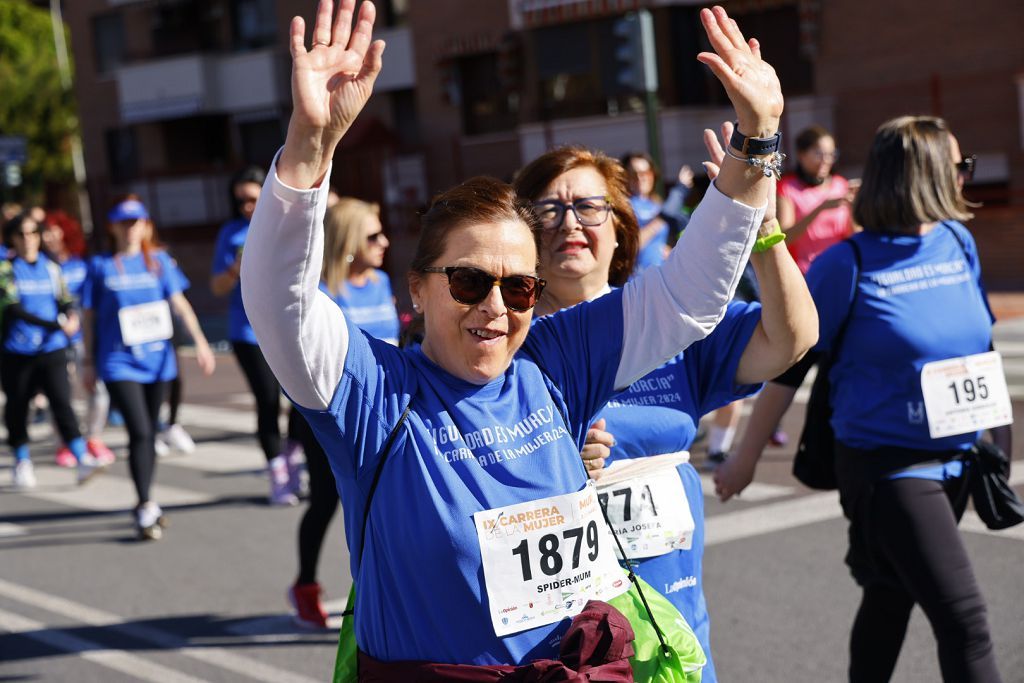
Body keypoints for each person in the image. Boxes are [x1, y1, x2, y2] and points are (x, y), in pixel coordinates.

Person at [244, 0, 783, 671]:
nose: (496, 307)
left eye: (521, 286)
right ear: (417, 286)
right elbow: (278, 303)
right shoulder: (374, 392)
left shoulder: (555, 362)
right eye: (469, 281)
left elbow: (689, 295)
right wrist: (308, 148)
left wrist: (756, 141)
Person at [516, 124, 815, 681]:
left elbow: (789, 341)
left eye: (588, 206)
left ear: (621, 229)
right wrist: (553, 464)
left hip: (675, 630)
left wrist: (766, 230)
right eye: (548, 210)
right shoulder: (507, 346)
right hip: (563, 647)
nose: (570, 222)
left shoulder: (672, 326)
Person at [716, 117, 1005, 682]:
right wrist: (746, 457)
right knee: (965, 619)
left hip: (958, 459)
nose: (966, 176)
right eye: (958, 166)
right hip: (888, 468)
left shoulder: (957, 241)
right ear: (920, 175)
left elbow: (981, 340)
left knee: (890, 594)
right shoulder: (846, 265)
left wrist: (999, 436)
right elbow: (790, 365)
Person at [288, 196, 400, 628]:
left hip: (385, 415)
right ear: (350, 240)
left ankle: (382, 592)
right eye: (373, 235)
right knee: (325, 503)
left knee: (387, 505)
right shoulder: (322, 293)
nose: (384, 242)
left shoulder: (382, 281)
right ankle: (305, 585)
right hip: (330, 420)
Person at [83, 196, 215, 540]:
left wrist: (200, 341)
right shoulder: (101, 266)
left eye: (137, 222)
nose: (131, 229)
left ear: (146, 226)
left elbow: (179, 304)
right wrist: (86, 361)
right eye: (124, 223)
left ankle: (147, 498)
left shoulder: (158, 262)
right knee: (140, 430)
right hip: (118, 362)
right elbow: (89, 317)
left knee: (150, 433)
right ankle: (144, 503)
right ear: (113, 227)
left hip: (158, 360)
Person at [212, 166, 305, 505]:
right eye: (240, 201)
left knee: (301, 398)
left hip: (287, 328)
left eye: (252, 198)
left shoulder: (285, 223)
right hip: (247, 332)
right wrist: (234, 270)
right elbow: (216, 286)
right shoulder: (231, 233)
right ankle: (277, 472)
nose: (246, 207)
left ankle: (292, 454)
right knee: (268, 401)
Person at [2, 213, 101, 488]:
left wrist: (70, 316)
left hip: (52, 349)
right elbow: (13, 308)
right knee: (19, 407)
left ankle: (81, 458)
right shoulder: (6, 269)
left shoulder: (52, 268)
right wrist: (56, 324)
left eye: (33, 233)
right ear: (12, 239)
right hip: (17, 350)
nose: (28, 240)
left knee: (62, 402)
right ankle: (21, 460)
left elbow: (66, 299)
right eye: (21, 234)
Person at [40, 213, 117, 467]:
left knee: (98, 390)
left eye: (54, 231)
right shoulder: (41, 268)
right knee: (61, 393)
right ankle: (64, 442)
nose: (49, 237)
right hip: (54, 340)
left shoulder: (81, 265)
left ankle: (93, 437)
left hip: (84, 339)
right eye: (45, 232)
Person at [777, 125, 856, 274]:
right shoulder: (787, 188)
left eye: (831, 154)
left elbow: (854, 235)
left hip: (841, 269)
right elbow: (784, 239)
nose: (826, 160)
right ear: (801, 155)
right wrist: (820, 208)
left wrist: (856, 206)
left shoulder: (841, 184)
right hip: (805, 274)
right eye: (818, 154)